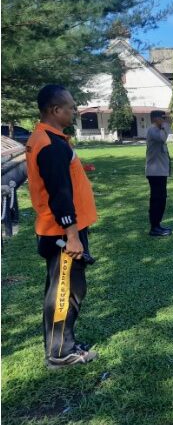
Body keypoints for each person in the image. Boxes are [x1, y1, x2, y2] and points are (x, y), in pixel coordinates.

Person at [25, 84, 99, 369]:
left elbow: (59, 180)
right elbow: (59, 194)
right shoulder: (50, 144)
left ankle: (62, 343)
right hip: (62, 233)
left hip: (59, 229)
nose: (74, 110)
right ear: (55, 110)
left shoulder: (49, 138)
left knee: (63, 287)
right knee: (65, 291)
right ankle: (60, 352)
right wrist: (72, 236)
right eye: (70, 106)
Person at [146, 111, 172, 236]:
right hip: (155, 172)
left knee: (161, 200)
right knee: (157, 200)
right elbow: (162, 138)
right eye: (163, 118)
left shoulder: (159, 129)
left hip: (160, 172)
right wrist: (166, 125)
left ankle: (157, 225)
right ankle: (154, 228)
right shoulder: (152, 130)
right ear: (156, 119)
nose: (165, 120)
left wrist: (164, 125)